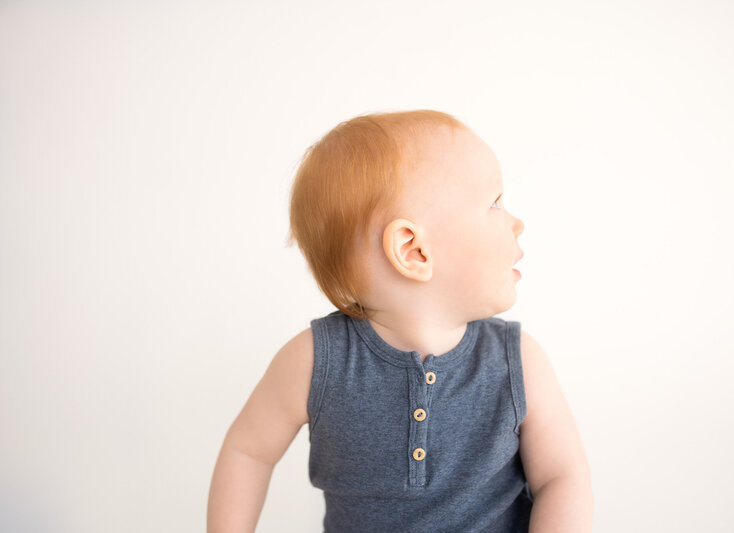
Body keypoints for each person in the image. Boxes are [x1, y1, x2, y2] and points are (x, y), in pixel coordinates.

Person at [207, 110, 593, 532]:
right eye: (493, 203)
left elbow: (562, 478)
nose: (517, 222)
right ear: (413, 250)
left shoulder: (517, 362)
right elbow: (248, 451)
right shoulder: (316, 361)